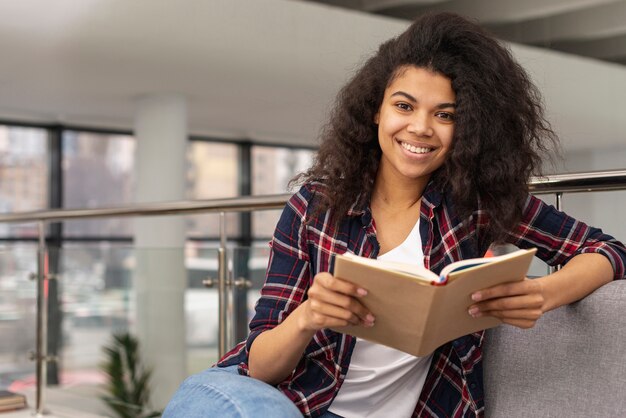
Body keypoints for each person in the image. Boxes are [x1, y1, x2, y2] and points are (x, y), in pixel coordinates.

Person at [164, 12, 626, 418]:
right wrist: (308, 316)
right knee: (218, 401)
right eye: (403, 106)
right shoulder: (313, 207)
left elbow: (609, 251)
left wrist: (542, 293)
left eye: (445, 114)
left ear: (468, 127)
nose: (420, 128)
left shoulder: (476, 204)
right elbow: (261, 366)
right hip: (280, 403)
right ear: (375, 111)